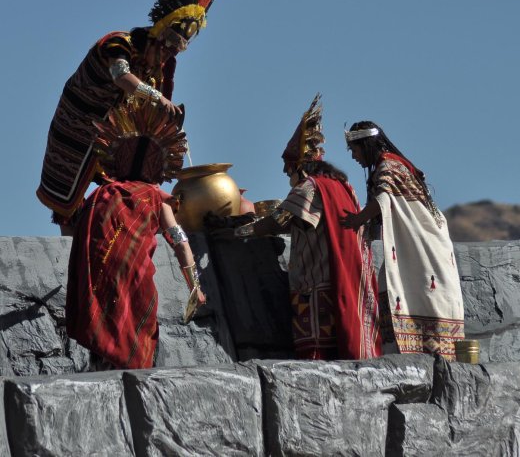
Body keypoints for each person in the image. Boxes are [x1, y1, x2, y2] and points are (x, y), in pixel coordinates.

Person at [37, 0, 224, 235]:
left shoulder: (159, 69)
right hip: (76, 123)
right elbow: (120, 76)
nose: (168, 56)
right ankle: (68, 253)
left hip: (112, 134)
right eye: (166, 48)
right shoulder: (118, 43)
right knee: (69, 202)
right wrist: (158, 100)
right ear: (156, 35)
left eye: (175, 51)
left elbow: (156, 106)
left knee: (129, 187)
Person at [213, 95, 381, 360]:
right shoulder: (343, 187)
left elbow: (277, 222)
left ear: (298, 168)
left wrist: (237, 232)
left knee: (318, 362)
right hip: (348, 280)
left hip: (316, 287)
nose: (285, 175)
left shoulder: (310, 186)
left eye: (288, 169)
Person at [65, 97, 205, 370]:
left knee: (101, 328)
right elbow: (179, 241)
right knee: (136, 331)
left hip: (97, 278)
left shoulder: (101, 193)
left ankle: (101, 371)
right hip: (135, 279)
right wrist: (195, 286)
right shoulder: (155, 196)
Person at [341, 121, 465, 361]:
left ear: (366, 145)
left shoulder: (388, 166)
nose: (354, 157)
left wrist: (357, 220)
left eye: (354, 150)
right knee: (399, 286)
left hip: (424, 248)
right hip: (420, 245)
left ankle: (425, 356)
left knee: (422, 293)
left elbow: (383, 201)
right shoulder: (392, 165)